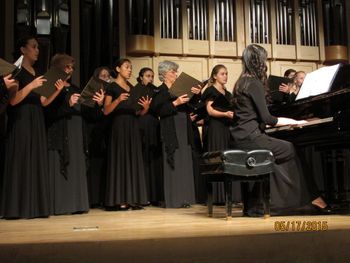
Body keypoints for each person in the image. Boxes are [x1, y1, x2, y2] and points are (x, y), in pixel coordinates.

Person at [230, 44, 330, 216]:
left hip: (241, 136)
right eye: (265, 59)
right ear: (259, 61)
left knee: (282, 150)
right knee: (289, 149)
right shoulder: (254, 83)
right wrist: (296, 120)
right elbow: (268, 119)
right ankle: (285, 202)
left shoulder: (241, 83)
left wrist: (287, 122)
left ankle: (261, 201)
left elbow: (255, 118)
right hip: (251, 138)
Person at [2, 36, 64, 219]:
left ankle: (35, 206)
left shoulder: (37, 72)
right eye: (34, 47)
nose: (37, 50)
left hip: (36, 118)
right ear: (23, 50)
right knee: (21, 159)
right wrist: (31, 85)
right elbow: (13, 101)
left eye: (38, 47)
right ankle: (17, 208)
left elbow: (43, 102)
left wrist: (56, 90)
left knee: (35, 159)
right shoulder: (16, 71)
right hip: (21, 119)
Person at [45, 53, 93, 215]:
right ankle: (61, 205)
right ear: (58, 67)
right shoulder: (50, 85)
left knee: (76, 168)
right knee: (61, 166)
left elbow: (87, 112)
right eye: (67, 66)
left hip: (76, 133)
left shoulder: (74, 88)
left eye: (72, 67)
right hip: (60, 131)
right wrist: (68, 104)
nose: (71, 70)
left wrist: (96, 103)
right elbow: (48, 113)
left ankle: (77, 204)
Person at [104, 58, 150, 210]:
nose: (130, 70)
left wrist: (145, 108)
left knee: (132, 160)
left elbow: (138, 112)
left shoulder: (132, 88)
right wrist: (118, 100)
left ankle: (132, 198)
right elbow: (106, 110)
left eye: (131, 68)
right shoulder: (111, 87)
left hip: (132, 126)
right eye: (126, 67)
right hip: (119, 126)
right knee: (121, 160)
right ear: (118, 69)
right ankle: (120, 199)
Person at [151, 60, 198, 208]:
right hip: (171, 129)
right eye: (173, 71)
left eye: (176, 71)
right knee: (173, 162)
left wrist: (196, 95)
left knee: (184, 161)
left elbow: (191, 105)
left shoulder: (180, 89)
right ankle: (174, 199)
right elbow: (157, 110)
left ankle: (185, 198)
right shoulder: (160, 91)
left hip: (183, 127)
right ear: (164, 74)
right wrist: (175, 103)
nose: (175, 74)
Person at [201, 64, 235, 204]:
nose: (225, 76)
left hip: (226, 127)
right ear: (215, 76)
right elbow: (209, 111)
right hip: (215, 127)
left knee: (227, 158)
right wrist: (225, 113)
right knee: (216, 158)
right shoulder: (210, 91)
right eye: (222, 73)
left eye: (226, 73)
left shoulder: (228, 94)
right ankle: (216, 196)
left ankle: (227, 195)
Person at [134, 67, 163, 205]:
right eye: (147, 76)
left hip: (154, 125)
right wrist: (145, 109)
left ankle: (155, 196)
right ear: (140, 77)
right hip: (140, 125)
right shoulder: (136, 90)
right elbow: (135, 112)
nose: (150, 78)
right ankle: (142, 195)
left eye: (152, 76)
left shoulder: (156, 90)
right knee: (143, 159)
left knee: (154, 160)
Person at [82, 66, 110, 208]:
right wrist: (98, 104)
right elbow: (88, 114)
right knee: (93, 165)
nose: (105, 78)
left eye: (107, 76)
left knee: (104, 165)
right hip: (94, 132)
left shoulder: (110, 91)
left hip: (107, 132)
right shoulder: (90, 92)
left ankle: (103, 198)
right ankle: (92, 198)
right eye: (102, 76)